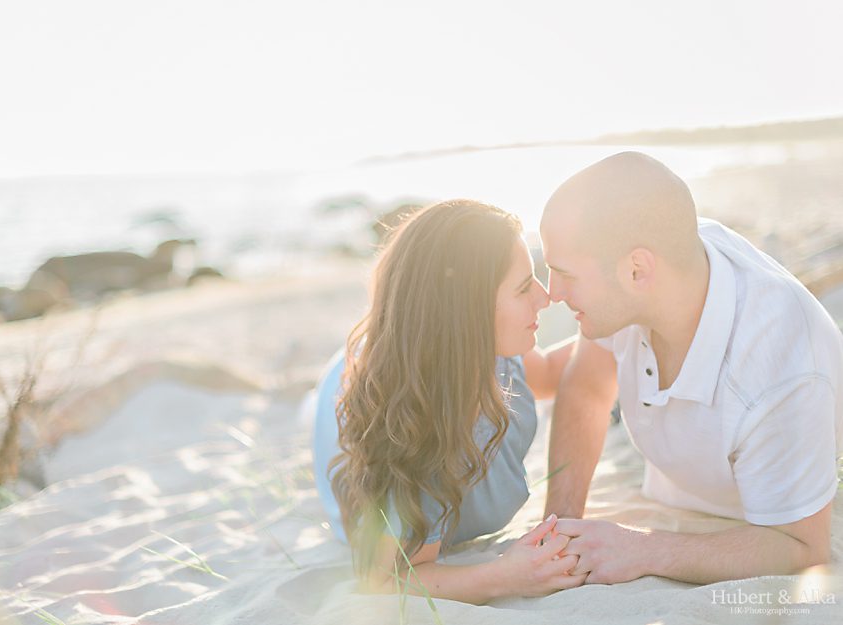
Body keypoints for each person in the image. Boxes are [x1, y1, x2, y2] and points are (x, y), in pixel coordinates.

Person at [538, 151, 843, 585]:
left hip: (763, 522)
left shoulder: (781, 366)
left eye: (564, 274)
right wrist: (559, 527)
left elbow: (800, 546)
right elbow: (588, 385)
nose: (551, 293)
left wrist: (642, 549)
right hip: (680, 490)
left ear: (637, 270)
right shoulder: (655, 264)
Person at [312, 199, 584, 604]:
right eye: (524, 287)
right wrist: (505, 576)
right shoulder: (410, 424)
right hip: (363, 391)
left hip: (411, 347)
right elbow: (386, 580)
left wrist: (619, 327)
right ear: (469, 314)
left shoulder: (492, 351)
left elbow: (547, 376)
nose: (545, 297)